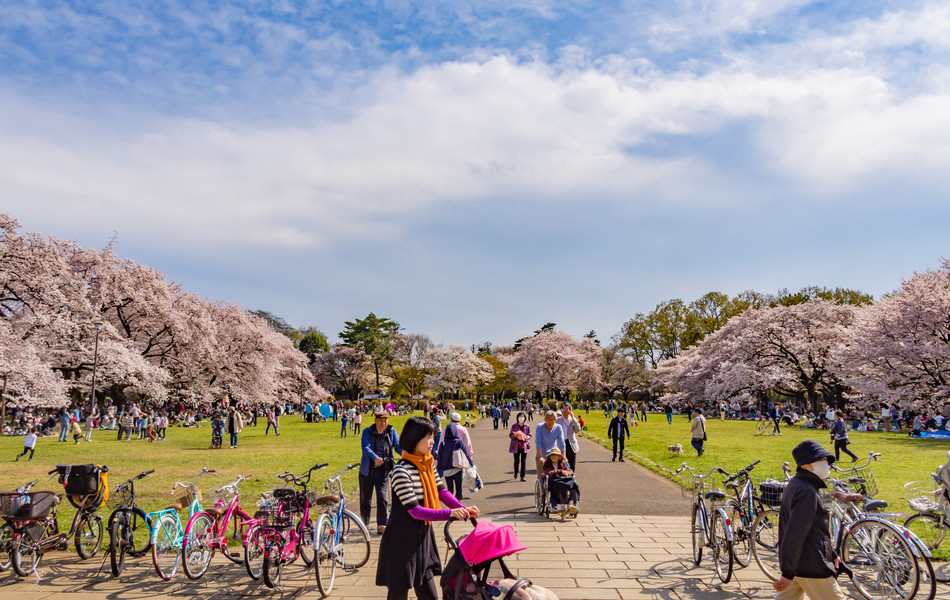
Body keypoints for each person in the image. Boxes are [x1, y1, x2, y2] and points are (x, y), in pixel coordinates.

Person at [376, 416, 478, 600]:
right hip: (400, 543)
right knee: (398, 594)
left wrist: (464, 509)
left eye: (433, 436)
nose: (433, 441)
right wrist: (450, 513)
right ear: (414, 438)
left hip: (422, 538)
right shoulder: (401, 471)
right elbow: (415, 511)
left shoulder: (427, 465)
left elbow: (442, 493)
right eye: (429, 437)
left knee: (429, 594)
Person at [774, 440, 862, 600]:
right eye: (821, 460)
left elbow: (813, 529)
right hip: (811, 564)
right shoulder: (807, 491)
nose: (826, 464)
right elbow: (796, 532)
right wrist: (787, 571)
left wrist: (832, 553)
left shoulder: (797, 484)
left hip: (799, 563)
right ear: (806, 466)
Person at [360, 411, 402, 535]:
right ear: (375, 420)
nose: (383, 423)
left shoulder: (390, 431)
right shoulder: (367, 432)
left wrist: (405, 454)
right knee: (365, 498)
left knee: (382, 497)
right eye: (380, 421)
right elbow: (365, 447)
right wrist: (375, 458)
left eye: (385, 420)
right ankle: (365, 523)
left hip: (383, 471)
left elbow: (397, 445)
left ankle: (381, 524)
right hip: (367, 470)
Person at [436, 412, 474, 500]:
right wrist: (470, 459)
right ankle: (458, 501)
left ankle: (452, 502)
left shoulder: (446, 430)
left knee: (449, 488)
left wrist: (438, 468)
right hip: (459, 462)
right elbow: (467, 444)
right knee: (459, 486)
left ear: (451, 419)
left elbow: (440, 448)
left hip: (447, 465)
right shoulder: (463, 430)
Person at [542, 447, 580, 517]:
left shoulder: (563, 463)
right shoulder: (547, 463)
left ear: (559, 457)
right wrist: (559, 471)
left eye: (555, 455)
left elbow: (570, 471)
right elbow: (547, 472)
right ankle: (564, 506)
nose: (553, 456)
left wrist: (566, 472)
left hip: (564, 480)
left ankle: (571, 504)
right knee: (562, 485)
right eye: (552, 455)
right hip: (554, 483)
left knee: (574, 484)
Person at [534, 411, 565, 476]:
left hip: (554, 455)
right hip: (542, 454)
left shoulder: (558, 427)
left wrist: (563, 457)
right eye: (548, 419)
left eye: (552, 419)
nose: (550, 422)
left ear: (555, 420)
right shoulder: (540, 427)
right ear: (545, 420)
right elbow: (538, 443)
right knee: (542, 476)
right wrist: (540, 457)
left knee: (556, 475)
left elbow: (562, 443)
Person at [557, 403, 582, 472]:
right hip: (561, 443)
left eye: (566, 409)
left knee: (572, 462)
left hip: (570, 443)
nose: (564, 411)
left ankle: (572, 478)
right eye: (563, 409)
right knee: (561, 462)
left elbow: (578, 429)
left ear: (570, 411)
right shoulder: (558, 420)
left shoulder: (572, 420)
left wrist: (573, 418)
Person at [508, 412, 531, 481]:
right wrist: (515, 436)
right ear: (517, 418)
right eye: (520, 416)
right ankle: (515, 472)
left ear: (524, 418)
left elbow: (530, 434)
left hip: (524, 445)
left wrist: (525, 437)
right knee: (516, 460)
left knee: (523, 461)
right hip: (516, 445)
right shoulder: (514, 426)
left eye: (522, 417)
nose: (521, 418)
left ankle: (522, 476)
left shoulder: (527, 426)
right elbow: (510, 435)